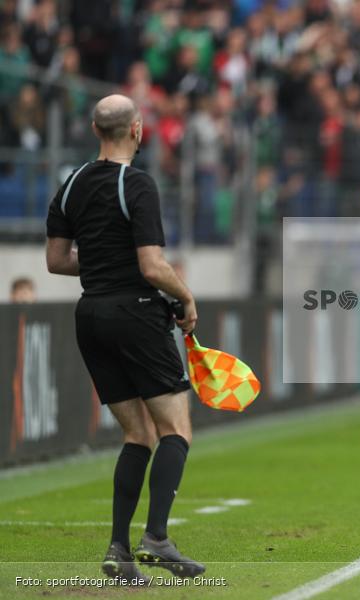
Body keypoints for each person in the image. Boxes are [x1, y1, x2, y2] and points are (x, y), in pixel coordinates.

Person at [45, 94, 204, 582]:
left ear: (95, 129)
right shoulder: (136, 183)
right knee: (175, 429)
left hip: (90, 314)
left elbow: (55, 261)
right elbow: (151, 266)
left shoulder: (70, 185)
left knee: (136, 434)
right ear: (137, 130)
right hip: (135, 313)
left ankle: (119, 550)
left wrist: (99, 266)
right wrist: (187, 298)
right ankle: (156, 536)